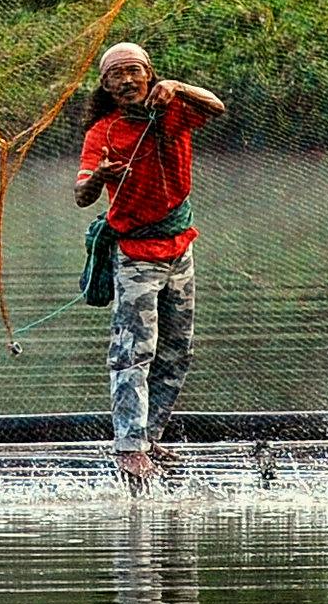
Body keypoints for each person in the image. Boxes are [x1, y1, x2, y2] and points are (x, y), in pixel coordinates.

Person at [74, 41, 225, 477]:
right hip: (136, 254)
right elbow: (82, 195)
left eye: (133, 72)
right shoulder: (101, 132)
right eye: (115, 76)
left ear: (148, 73)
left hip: (180, 247)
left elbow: (215, 107)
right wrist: (100, 176)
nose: (126, 81)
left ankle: (152, 437)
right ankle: (129, 447)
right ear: (105, 86)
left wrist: (177, 87)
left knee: (177, 349)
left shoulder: (173, 110)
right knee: (133, 350)